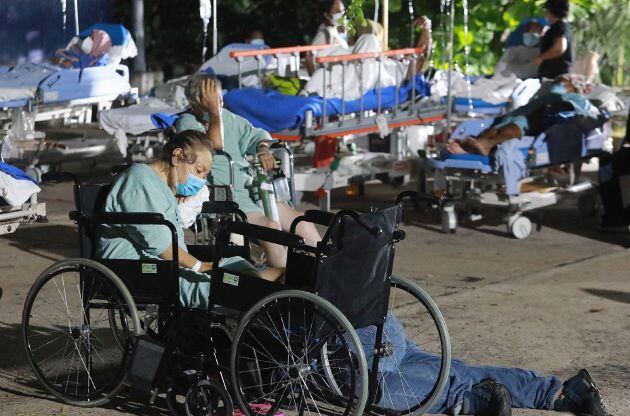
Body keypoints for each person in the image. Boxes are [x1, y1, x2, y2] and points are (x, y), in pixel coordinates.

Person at [95, 130, 284, 311]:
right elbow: (161, 245)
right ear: (177, 157)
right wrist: (199, 266)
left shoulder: (164, 187)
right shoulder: (139, 180)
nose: (201, 180)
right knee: (230, 288)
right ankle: (256, 308)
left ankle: (262, 300)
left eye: (204, 175)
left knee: (237, 266)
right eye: (199, 171)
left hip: (168, 265)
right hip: (141, 270)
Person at [175, 73, 321, 268]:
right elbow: (214, 144)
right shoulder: (187, 123)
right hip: (227, 198)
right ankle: (282, 284)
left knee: (302, 223)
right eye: (211, 98)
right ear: (196, 102)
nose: (218, 102)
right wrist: (214, 113)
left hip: (253, 191)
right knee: (271, 230)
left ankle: (324, 274)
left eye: (218, 97)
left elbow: (257, 135)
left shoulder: (228, 118)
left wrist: (262, 150)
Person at [358, 314, 609, 416]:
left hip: (348, 346)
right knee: (457, 371)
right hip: (381, 321)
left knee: (373, 386)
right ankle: (562, 393)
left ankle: (469, 401)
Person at [447, 74, 603, 156]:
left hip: (544, 114)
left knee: (522, 121)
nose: (563, 80)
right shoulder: (554, 90)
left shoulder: (579, 100)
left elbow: (583, 114)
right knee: (504, 122)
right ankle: (478, 143)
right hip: (530, 109)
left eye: (567, 80)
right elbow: (556, 84)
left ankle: (484, 145)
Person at [306, 0, 349, 75]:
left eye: (342, 11)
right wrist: (314, 79)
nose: (342, 14)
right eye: (337, 11)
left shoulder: (335, 30)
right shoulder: (325, 34)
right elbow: (309, 56)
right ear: (326, 15)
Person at [534, 0, 573, 80]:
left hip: (554, 77)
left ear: (549, 11)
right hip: (552, 76)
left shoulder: (559, 27)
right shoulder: (559, 27)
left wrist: (541, 57)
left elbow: (559, 47)